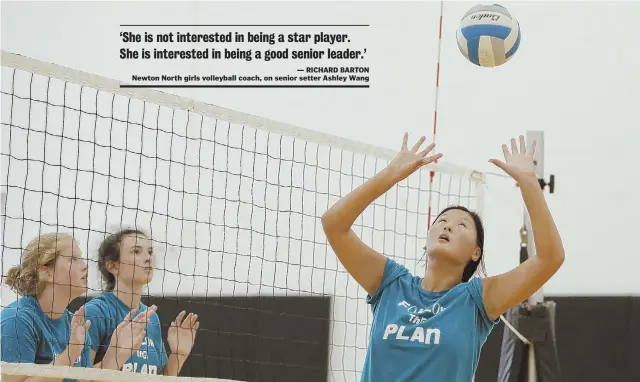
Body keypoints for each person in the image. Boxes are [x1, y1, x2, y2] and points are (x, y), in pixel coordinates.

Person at [321, 134, 565, 382]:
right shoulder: (392, 284)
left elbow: (550, 258)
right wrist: (390, 174)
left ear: (475, 252)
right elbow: (333, 224)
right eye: (442, 221)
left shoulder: (476, 300)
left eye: (462, 225)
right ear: (427, 240)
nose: (448, 227)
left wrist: (529, 183)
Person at [1, 232, 151, 382]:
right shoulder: (17, 319)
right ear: (46, 272)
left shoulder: (73, 323)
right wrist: (70, 353)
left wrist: (116, 354)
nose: (85, 266)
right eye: (73, 259)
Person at [84, 229, 200, 376]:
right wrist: (117, 356)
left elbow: (160, 379)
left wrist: (178, 354)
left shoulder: (151, 318)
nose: (148, 258)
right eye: (136, 252)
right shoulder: (96, 312)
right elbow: (79, 377)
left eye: (150, 252)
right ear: (113, 266)